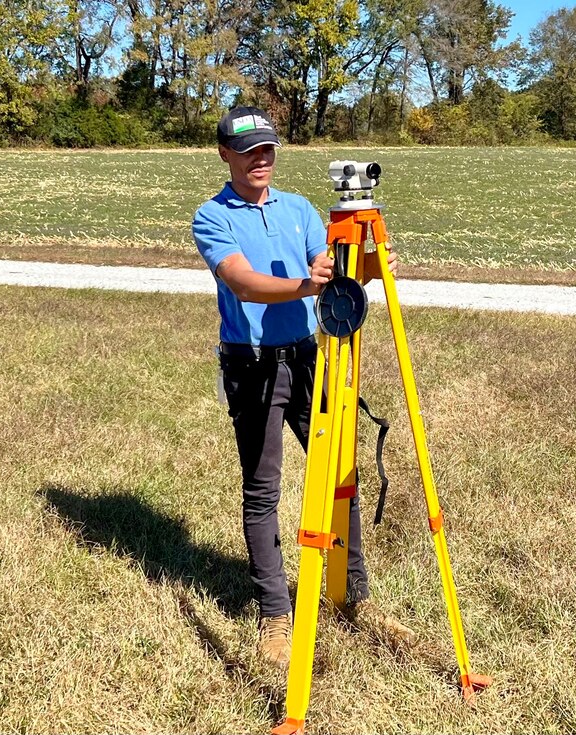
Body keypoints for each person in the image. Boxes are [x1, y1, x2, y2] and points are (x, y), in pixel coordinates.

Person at [192, 106, 413, 670]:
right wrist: (300, 286)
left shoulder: (300, 210)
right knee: (263, 488)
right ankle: (274, 613)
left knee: (339, 470)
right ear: (225, 155)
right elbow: (241, 282)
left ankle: (351, 593)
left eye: (268, 148)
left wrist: (366, 263)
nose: (260, 159)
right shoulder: (211, 217)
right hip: (252, 362)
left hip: (309, 356)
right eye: (248, 151)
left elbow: (331, 272)